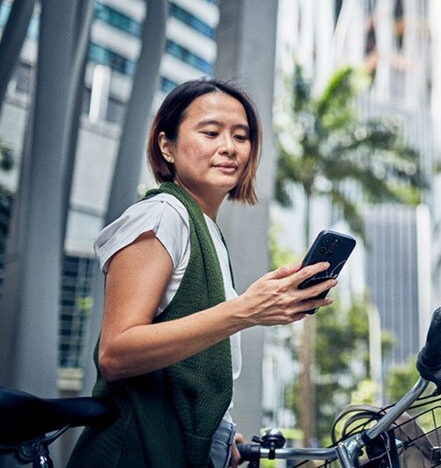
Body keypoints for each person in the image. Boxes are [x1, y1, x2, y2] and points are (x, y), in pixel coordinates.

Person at [69, 79, 336, 467]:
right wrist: (245, 311)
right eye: (211, 132)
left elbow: (186, 370)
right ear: (167, 146)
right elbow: (115, 353)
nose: (229, 147)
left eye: (241, 136)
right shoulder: (163, 214)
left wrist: (218, 433)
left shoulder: (205, 231)